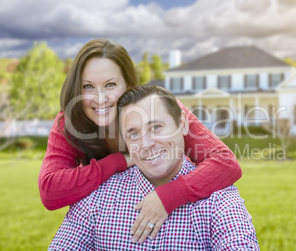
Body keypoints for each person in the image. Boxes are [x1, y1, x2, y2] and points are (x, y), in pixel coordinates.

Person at [39, 39, 242, 241]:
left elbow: (226, 163)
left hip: (175, 205)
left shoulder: (158, 109)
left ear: (128, 84)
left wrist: (168, 196)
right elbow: (50, 191)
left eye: (110, 84)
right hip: (114, 210)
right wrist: (121, 160)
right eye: (88, 86)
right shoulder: (70, 123)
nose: (100, 98)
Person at [48, 85, 259, 250]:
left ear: (183, 123)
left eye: (156, 127)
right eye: (134, 134)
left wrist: (171, 195)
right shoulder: (97, 198)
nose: (146, 143)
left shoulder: (220, 201)